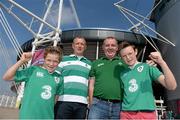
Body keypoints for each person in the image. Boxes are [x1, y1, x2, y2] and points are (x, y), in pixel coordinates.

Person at [118, 41, 177, 119]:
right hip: (126, 114)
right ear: (121, 58)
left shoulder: (148, 66)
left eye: (130, 53)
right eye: (124, 56)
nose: (128, 58)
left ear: (135, 51)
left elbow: (172, 86)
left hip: (146, 114)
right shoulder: (122, 74)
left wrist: (162, 63)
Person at [3, 46, 63, 119]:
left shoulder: (60, 78)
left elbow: (55, 100)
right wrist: (21, 61)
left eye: (55, 61)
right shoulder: (33, 70)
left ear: (59, 62)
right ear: (44, 59)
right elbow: (6, 77)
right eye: (48, 60)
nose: (51, 64)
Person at [88, 36, 127, 119]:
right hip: (97, 105)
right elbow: (91, 84)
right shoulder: (95, 63)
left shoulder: (124, 63)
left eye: (113, 45)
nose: (110, 47)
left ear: (117, 48)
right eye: (107, 45)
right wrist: (91, 102)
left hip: (118, 106)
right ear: (103, 47)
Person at [54, 36, 92, 119]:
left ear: (85, 47)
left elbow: (91, 84)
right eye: (77, 43)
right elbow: (55, 79)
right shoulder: (63, 60)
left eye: (82, 44)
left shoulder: (90, 64)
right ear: (73, 46)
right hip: (63, 101)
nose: (79, 46)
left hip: (82, 103)